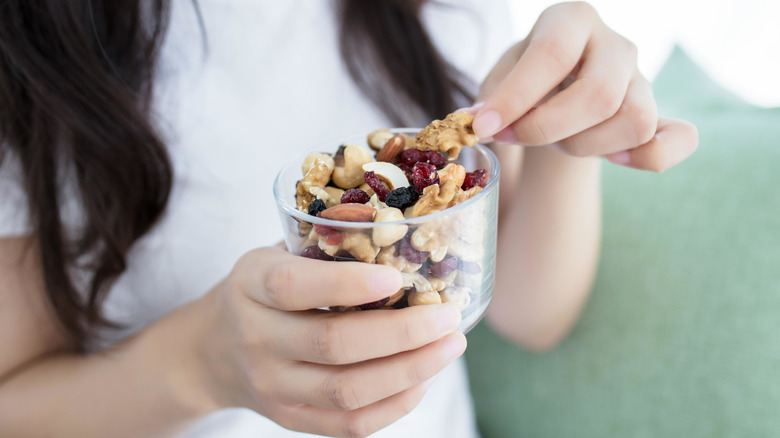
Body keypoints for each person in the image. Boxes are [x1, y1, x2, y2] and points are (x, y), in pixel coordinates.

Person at [0, 1, 697, 437]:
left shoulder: (446, 11)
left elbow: (526, 310)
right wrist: (203, 363)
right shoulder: (36, 46)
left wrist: (562, 128)